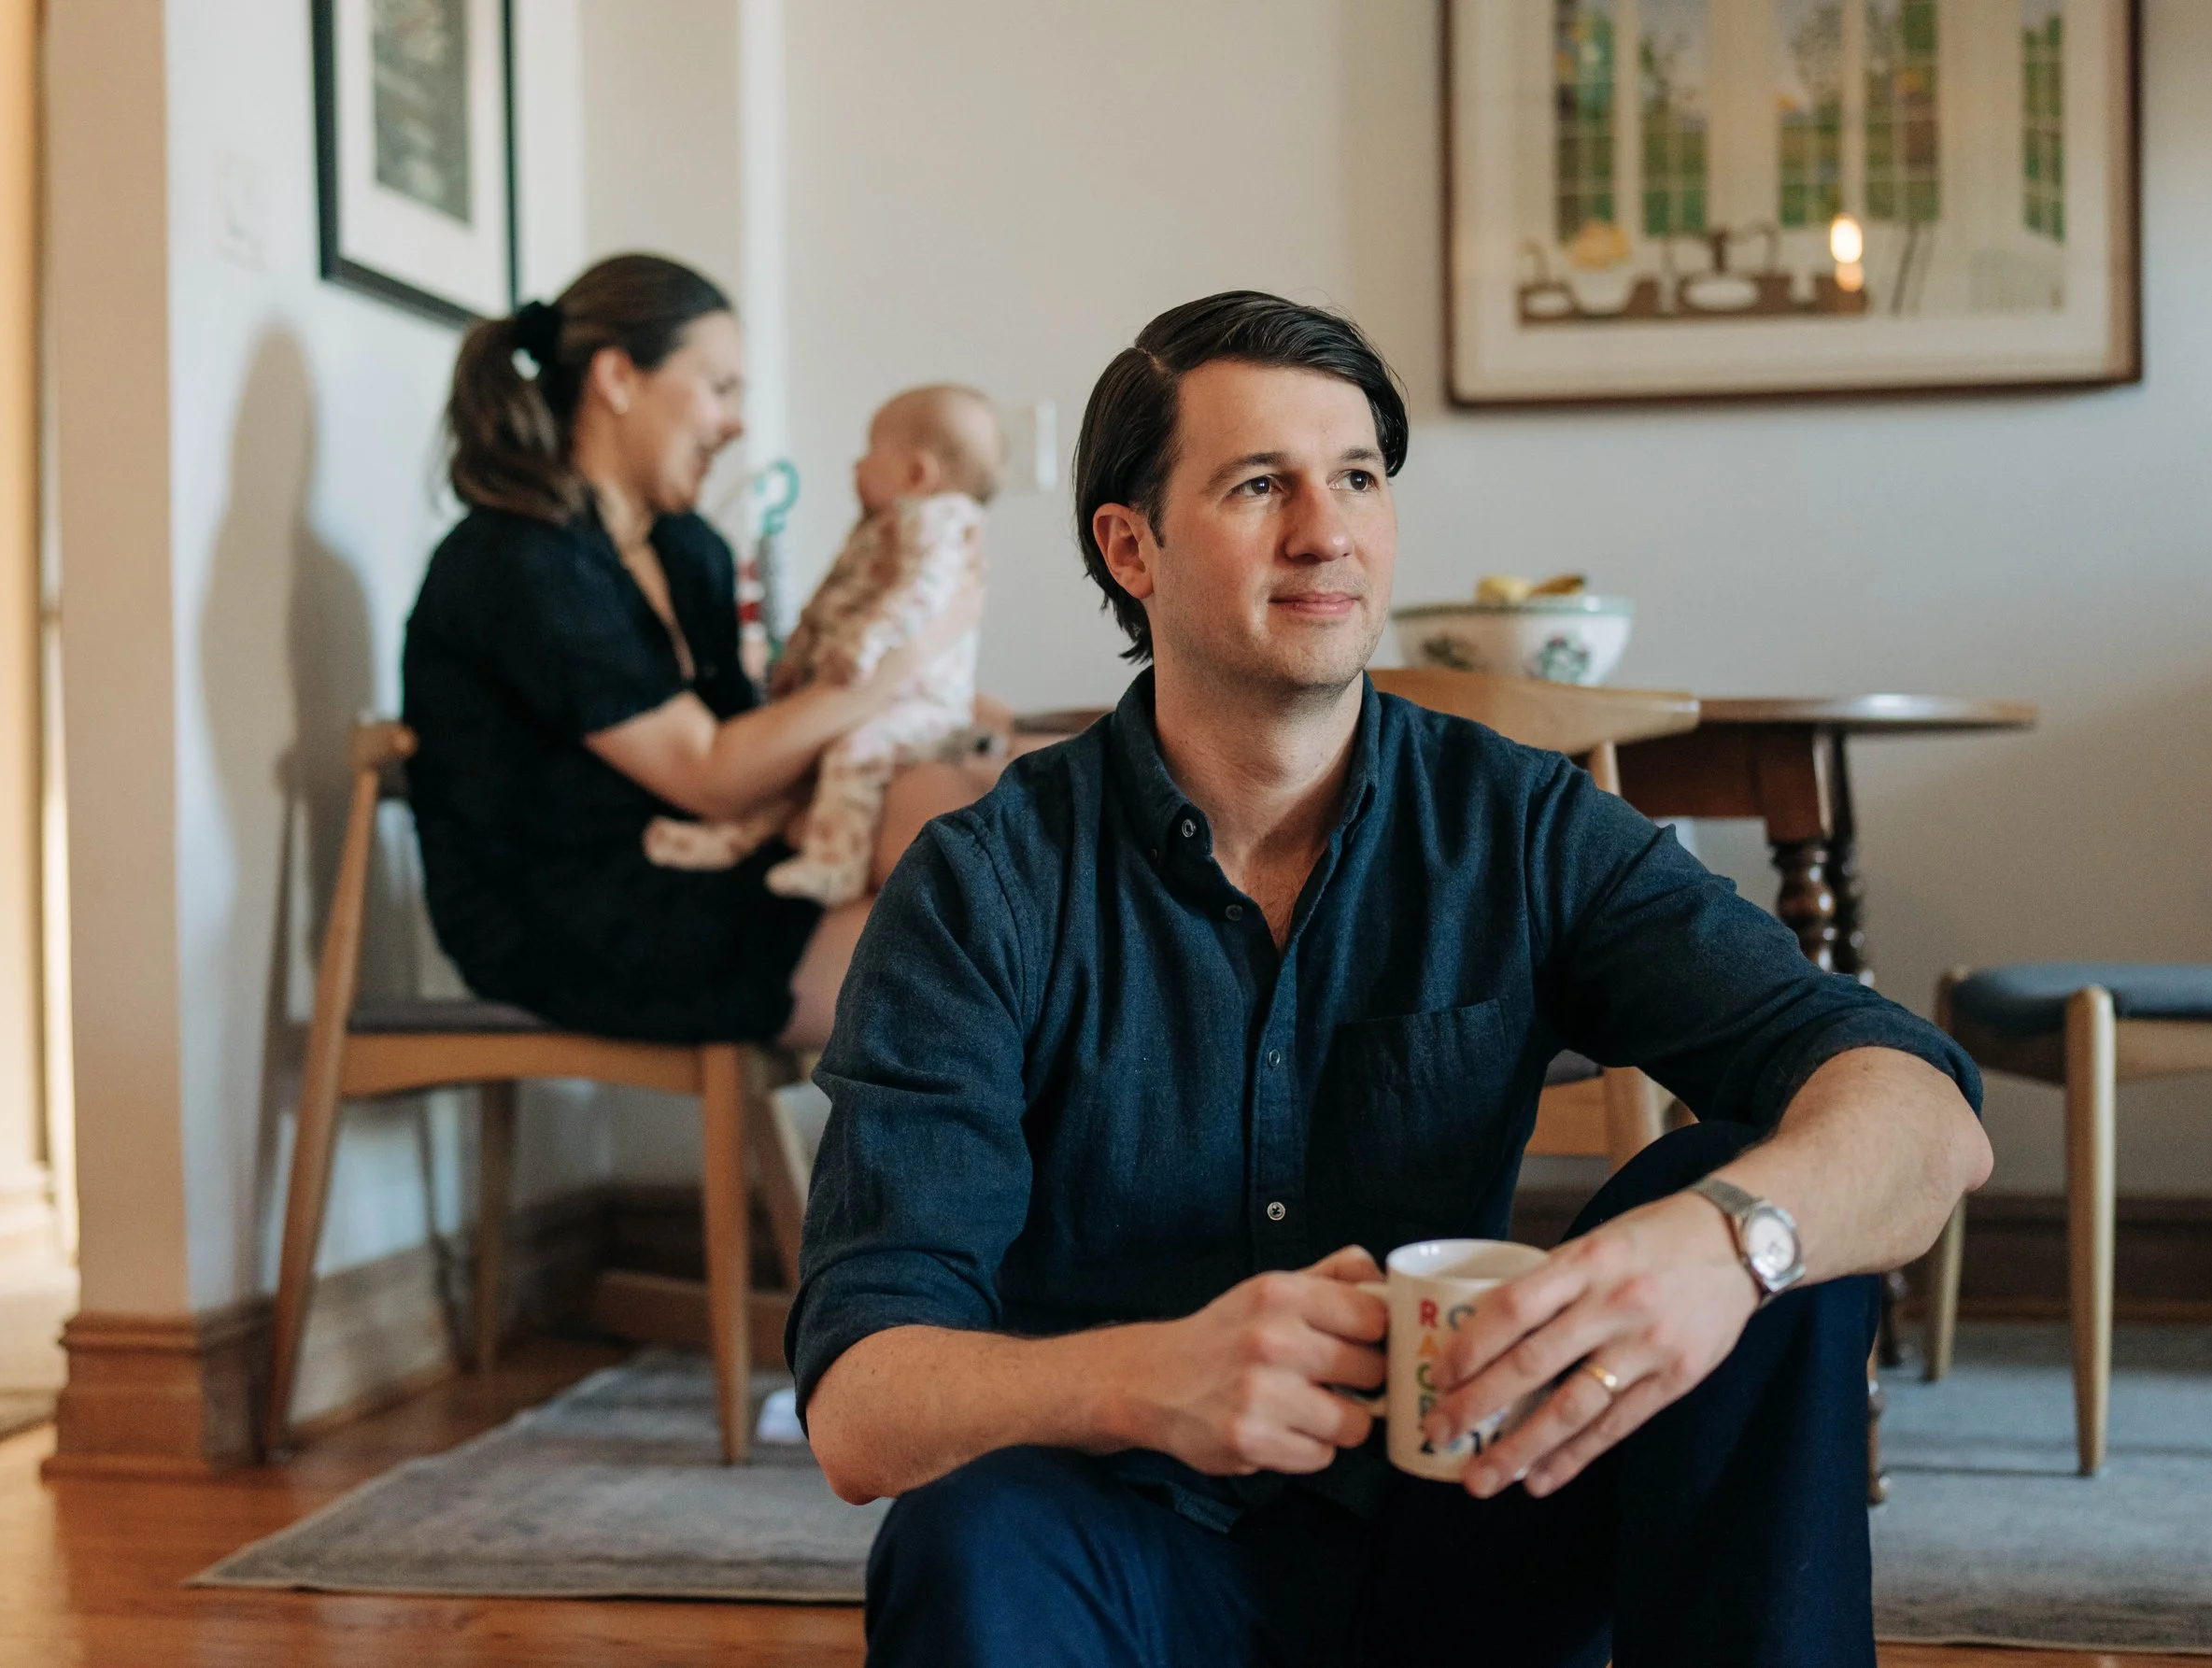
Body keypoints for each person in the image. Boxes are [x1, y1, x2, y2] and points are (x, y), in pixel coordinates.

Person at [785, 291, 1994, 1667]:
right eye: (1260, 484)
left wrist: (1730, 1245)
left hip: (1479, 1535)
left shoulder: (1518, 825)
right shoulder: (986, 884)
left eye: (1357, 476)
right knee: (966, 1528)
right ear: (1134, 546)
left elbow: (1925, 1113)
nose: (1328, 529)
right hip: (1124, 1560)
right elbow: (861, 1399)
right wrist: (1149, 1378)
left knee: (1759, 1210)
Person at [401, 254, 985, 1049]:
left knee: (976, 803)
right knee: (975, 960)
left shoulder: (690, 550)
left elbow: (762, 747)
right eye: (720, 388)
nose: (737, 423)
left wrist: (962, 717)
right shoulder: (517, 560)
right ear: (617, 379)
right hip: (575, 911)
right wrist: (910, 658)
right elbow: (713, 774)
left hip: (707, 866)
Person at [641, 385, 1004, 907]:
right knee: (791, 775)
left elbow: (919, 598)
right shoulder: (880, 527)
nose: (856, 465)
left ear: (917, 474)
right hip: (866, 689)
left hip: (911, 703)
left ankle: (837, 865)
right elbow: (830, 601)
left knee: (852, 756)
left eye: (870, 451)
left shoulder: (940, 522)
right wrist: (796, 654)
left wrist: (866, 642)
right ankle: (728, 840)